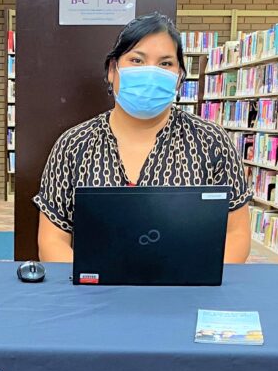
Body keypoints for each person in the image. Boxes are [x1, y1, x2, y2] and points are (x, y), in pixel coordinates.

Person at [34, 13, 252, 264]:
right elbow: (52, 240)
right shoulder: (73, 145)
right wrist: (90, 284)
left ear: (180, 76)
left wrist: (198, 281)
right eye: (137, 60)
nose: (150, 73)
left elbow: (237, 233)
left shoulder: (212, 142)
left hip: (186, 295)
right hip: (94, 297)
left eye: (165, 64)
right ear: (112, 70)